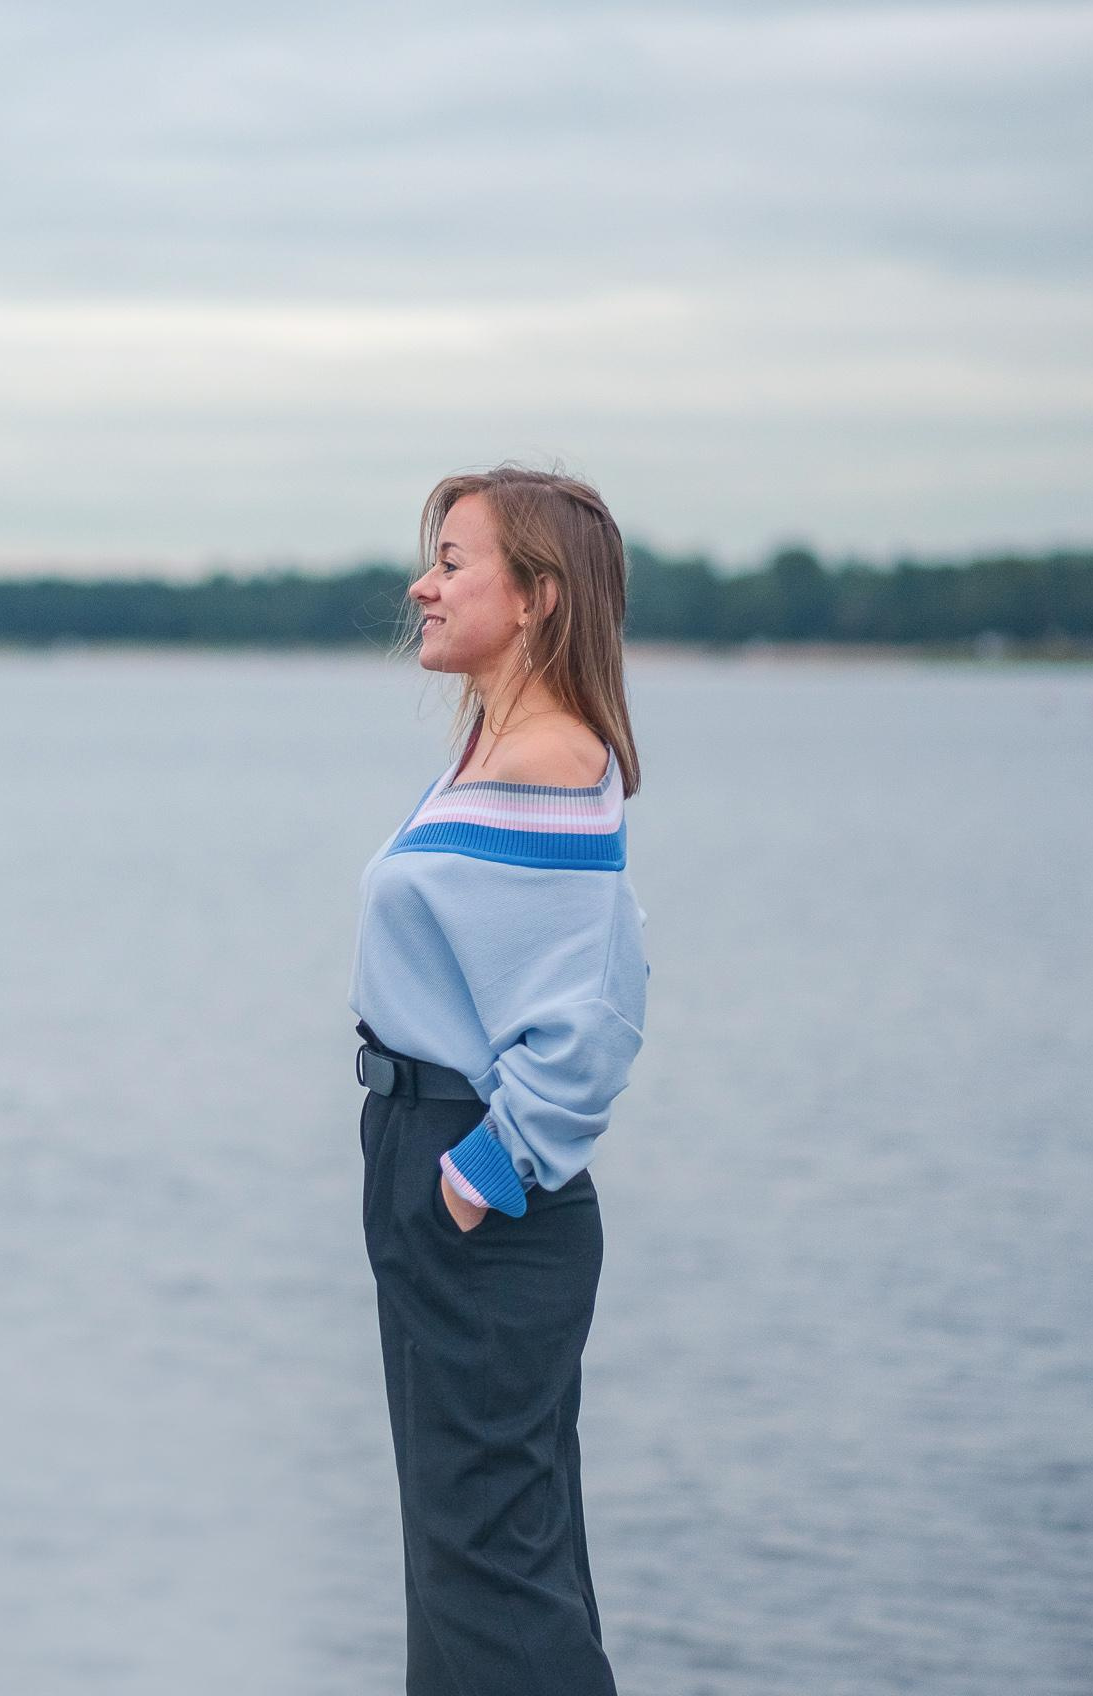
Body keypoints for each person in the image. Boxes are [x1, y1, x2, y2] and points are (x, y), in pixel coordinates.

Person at [349, 465, 648, 1694]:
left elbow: (593, 1022)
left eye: (454, 560)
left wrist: (483, 1171)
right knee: (475, 1558)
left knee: (491, 1570)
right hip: (430, 1154)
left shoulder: (551, 765)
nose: (424, 582)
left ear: (535, 596)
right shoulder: (498, 748)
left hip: (476, 1184)